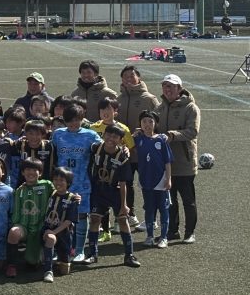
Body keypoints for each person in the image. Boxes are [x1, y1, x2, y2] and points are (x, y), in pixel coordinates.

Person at [83, 125, 140, 268]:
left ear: (121, 140)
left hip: (115, 192)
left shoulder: (122, 157)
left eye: (115, 137)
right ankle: (92, 254)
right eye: (108, 135)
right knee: (95, 219)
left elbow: (123, 183)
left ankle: (129, 255)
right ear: (103, 135)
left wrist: (124, 205)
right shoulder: (95, 148)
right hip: (98, 191)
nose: (110, 139)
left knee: (122, 221)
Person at [50, 103, 101, 262]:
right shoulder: (58, 134)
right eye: (70, 120)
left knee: (81, 215)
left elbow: (105, 147)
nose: (73, 123)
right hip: (61, 183)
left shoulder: (90, 135)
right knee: (59, 215)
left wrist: (123, 148)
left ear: (81, 119)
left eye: (76, 120)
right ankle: (60, 249)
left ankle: (79, 251)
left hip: (82, 182)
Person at [155, 74, 199, 244]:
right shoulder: (160, 108)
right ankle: (172, 231)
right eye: (165, 86)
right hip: (166, 164)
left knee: (188, 201)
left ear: (179, 89)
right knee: (170, 200)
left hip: (184, 163)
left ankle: (190, 232)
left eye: (171, 86)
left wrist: (172, 135)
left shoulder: (190, 108)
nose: (167, 89)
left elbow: (192, 132)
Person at [5, 158, 54, 278]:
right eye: (27, 169)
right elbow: (16, 212)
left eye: (34, 170)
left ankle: (45, 259)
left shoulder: (47, 185)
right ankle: (11, 266)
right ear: (22, 172)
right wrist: (16, 225)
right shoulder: (19, 190)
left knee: (32, 264)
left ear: (40, 173)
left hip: (41, 227)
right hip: (25, 227)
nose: (31, 172)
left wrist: (73, 197)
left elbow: (60, 194)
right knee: (14, 232)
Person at [136, 111, 172, 248]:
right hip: (145, 180)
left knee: (163, 209)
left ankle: (163, 237)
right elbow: (124, 143)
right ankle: (150, 236)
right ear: (140, 124)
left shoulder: (161, 140)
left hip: (161, 180)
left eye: (150, 121)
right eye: (144, 121)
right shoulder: (138, 139)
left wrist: (168, 179)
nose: (147, 124)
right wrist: (134, 134)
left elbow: (168, 162)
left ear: (155, 123)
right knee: (149, 209)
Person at [41, 168, 80, 283]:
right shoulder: (51, 193)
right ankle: (48, 270)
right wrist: (51, 232)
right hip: (48, 230)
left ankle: (57, 260)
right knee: (50, 238)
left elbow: (69, 221)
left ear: (68, 182)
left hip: (64, 234)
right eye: (55, 179)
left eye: (62, 180)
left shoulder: (72, 199)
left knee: (64, 271)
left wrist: (55, 231)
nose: (58, 182)